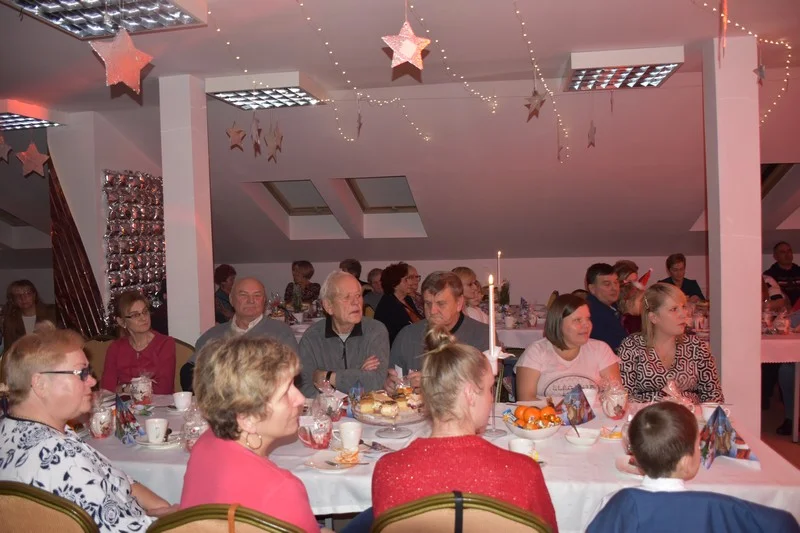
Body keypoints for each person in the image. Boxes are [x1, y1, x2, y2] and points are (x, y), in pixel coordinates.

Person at [372, 328, 558, 530]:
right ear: (470, 394)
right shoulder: (524, 472)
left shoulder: (388, 471)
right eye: (489, 388)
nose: (490, 399)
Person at [0, 328, 176, 532]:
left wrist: (163, 508)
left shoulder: (14, 428)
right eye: (81, 373)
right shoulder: (61, 458)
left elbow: (119, 481)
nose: (92, 381)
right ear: (40, 384)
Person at [181, 336, 329, 533]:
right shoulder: (282, 488)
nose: (300, 398)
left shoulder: (205, 443)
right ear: (247, 418)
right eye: (285, 392)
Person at [587, 402, 799, 533]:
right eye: (698, 446)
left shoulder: (617, 504)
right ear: (686, 461)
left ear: (635, 458)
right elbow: (783, 524)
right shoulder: (721, 507)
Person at [181, 278, 298, 392]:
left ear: (264, 301)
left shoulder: (280, 333)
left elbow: (290, 376)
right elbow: (190, 373)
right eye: (243, 295)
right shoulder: (212, 335)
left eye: (257, 295)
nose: (251, 300)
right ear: (231, 300)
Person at [617, 283, 724, 404]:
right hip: (648, 417)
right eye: (674, 309)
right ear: (654, 317)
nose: (684, 314)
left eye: (683, 307)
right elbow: (625, 396)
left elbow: (714, 395)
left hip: (690, 417)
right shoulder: (632, 346)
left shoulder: (695, 346)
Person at [388, 272, 490, 392]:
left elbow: (482, 387)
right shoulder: (407, 335)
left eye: (441, 304)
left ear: (459, 303)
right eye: (428, 303)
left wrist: (433, 383)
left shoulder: (482, 335)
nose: (433, 311)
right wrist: (390, 384)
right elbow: (394, 379)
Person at [298, 271, 389, 397]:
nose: (355, 302)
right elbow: (305, 389)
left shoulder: (375, 330)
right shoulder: (312, 337)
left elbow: (376, 382)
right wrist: (358, 375)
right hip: (326, 414)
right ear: (328, 306)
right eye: (347, 297)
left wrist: (328, 377)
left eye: (358, 296)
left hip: (367, 413)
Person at [515, 294, 620, 399]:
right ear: (558, 323)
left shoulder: (601, 350)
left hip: (595, 415)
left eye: (588, 319)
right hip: (545, 414)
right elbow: (526, 399)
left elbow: (616, 395)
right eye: (577, 320)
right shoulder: (536, 352)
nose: (586, 325)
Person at [100, 290, 176, 395]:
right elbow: (106, 389)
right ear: (122, 322)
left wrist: (123, 388)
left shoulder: (165, 344)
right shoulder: (115, 348)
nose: (143, 318)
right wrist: (140, 387)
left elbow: (163, 389)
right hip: (125, 409)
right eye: (135, 315)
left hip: (158, 408)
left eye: (145, 312)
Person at [373, 262, 423, 345]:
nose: (412, 283)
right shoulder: (387, 306)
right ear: (394, 284)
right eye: (407, 279)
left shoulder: (407, 298)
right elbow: (398, 335)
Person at [2, 280, 57, 352]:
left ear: (34, 295)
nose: (23, 298)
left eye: (27, 293)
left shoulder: (52, 314)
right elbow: (9, 349)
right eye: (17, 295)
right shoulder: (10, 321)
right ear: (13, 300)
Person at [585, 263, 627, 351]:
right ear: (592, 289)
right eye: (607, 284)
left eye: (616, 282)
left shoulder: (614, 306)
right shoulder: (591, 314)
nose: (614, 288)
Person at [764, 241, 800, 306]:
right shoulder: (769, 275)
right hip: (782, 311)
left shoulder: (798, 271)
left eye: (789, 251)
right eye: (782, 252)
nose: (787, 254)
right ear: (775, 256)